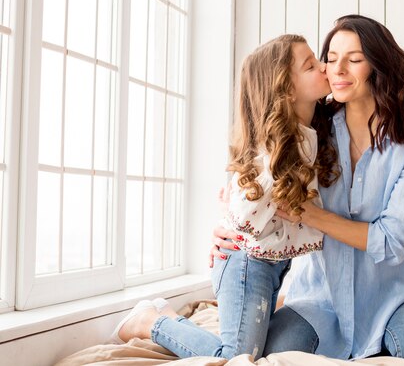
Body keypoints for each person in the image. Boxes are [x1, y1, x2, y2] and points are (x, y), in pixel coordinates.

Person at [210, 15, 404, 363]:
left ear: (379, 66)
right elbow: (254, 172)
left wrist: (314, 216)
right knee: (273, 355)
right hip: (318, 299)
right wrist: (226, 228)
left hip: (393, 300)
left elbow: (391, 240)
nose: (337, 69)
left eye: (354, 60)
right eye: (330, 57)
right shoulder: (312, 132)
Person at [110, 34, 333, 360]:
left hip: (270, 265)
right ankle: (152, 322)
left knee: (250, 351)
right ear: (286, 88)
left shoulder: (309, 134)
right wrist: (229, 214)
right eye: (311, 65)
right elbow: (245, 201)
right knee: (236, 357)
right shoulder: (281, 150)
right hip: (246, 263)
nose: (324, 67)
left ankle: (166, 318)